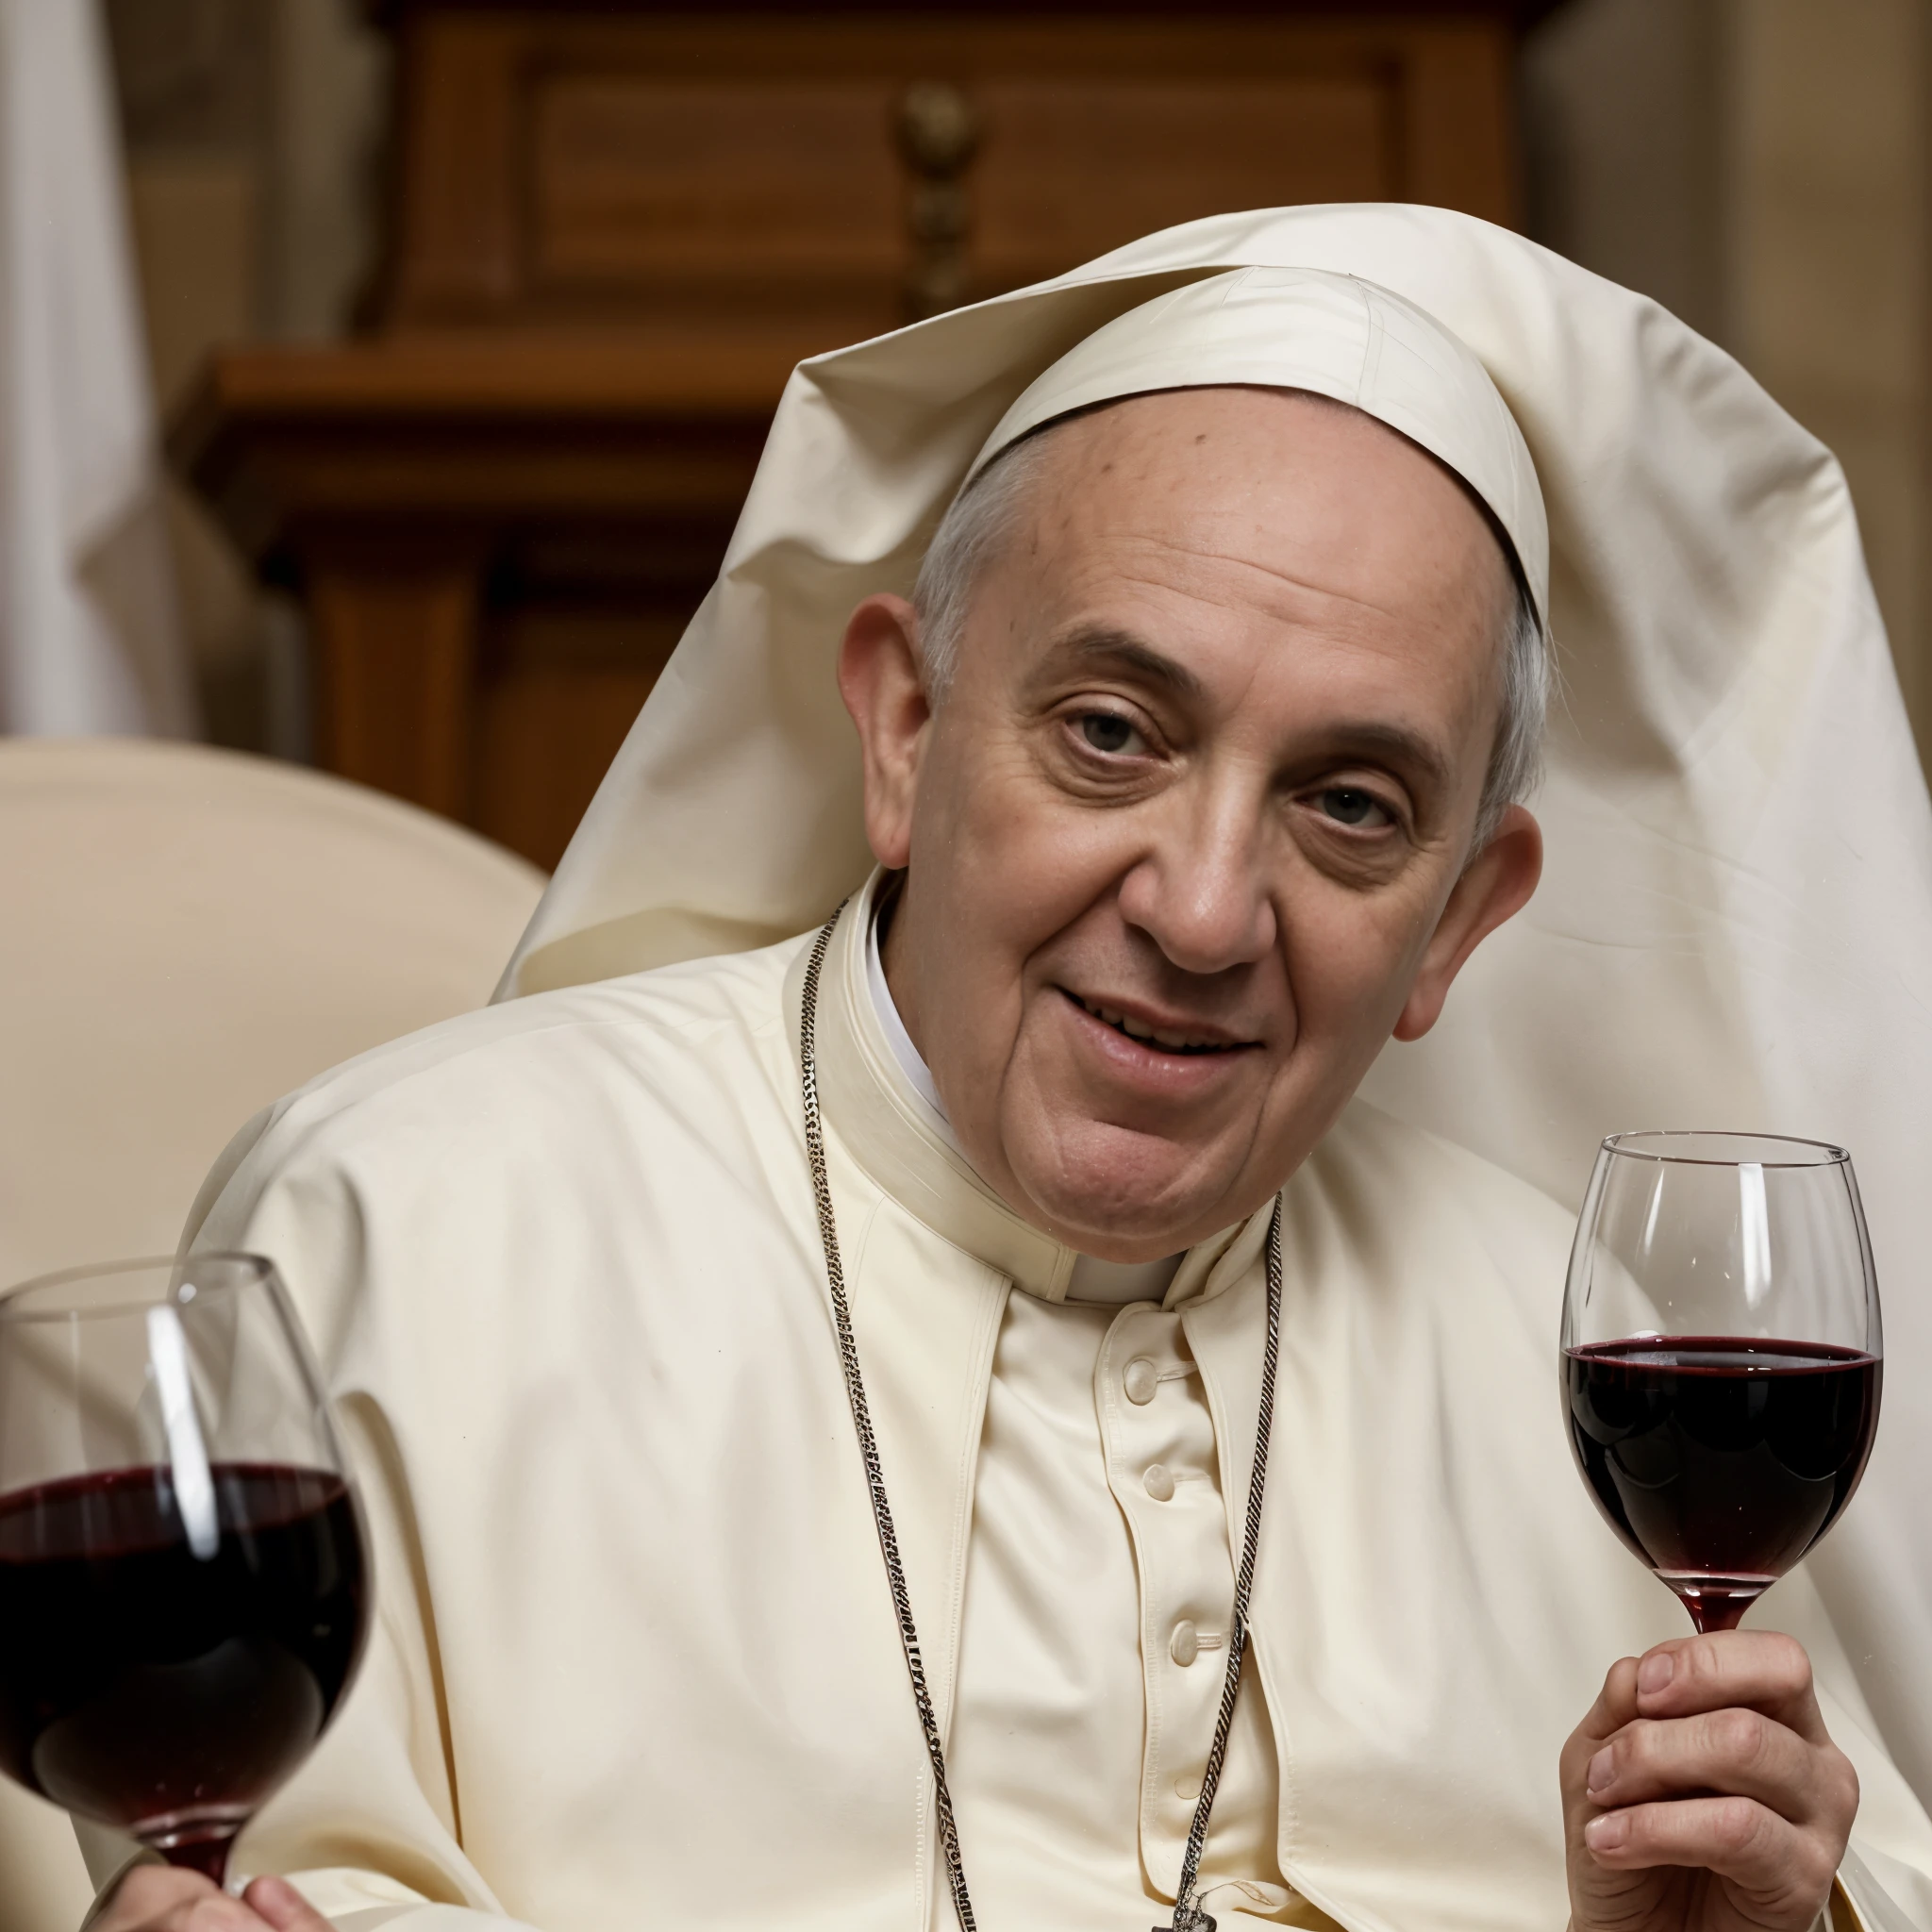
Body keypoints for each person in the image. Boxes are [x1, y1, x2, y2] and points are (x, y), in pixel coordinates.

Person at [92, 211, 1932, 1932]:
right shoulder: (405, 1228)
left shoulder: (1586, 1358)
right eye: (1114, 734)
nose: (1207, 911)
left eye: (1351, 807)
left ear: (1460, 916)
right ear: (903, 730)